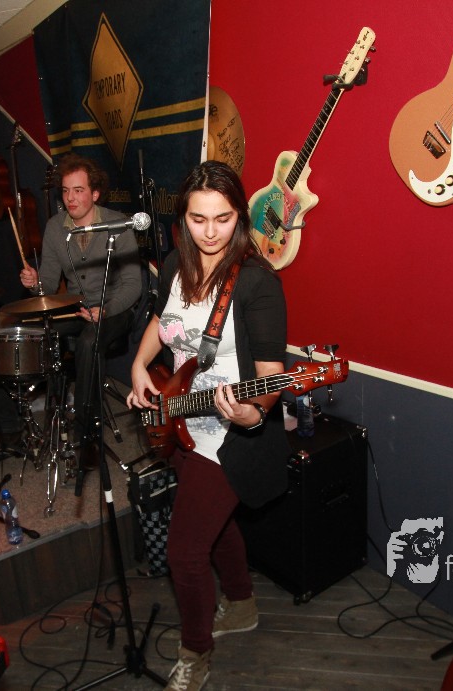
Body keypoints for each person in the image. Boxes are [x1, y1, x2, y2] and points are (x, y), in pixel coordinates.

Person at [126, 161, 290, 690]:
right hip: (181, 419)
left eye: (223, 218)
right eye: (198, 219)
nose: (211, 232)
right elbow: (161, 321)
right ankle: (240, 603)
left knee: (185, 552)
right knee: (213, 525)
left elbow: (272, 374)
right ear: (182, 218)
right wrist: (139, 365)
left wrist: (253, 411)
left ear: (240, 215)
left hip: (229, 435)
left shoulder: (258, 283)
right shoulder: (175, 262)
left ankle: (195, 652)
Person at [11, 153, 143, 450]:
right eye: (66, 191)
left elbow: (133, 285)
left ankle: (86, 433)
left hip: (115, 309)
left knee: (88, 342)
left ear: (95, 194)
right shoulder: (55, 227)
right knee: (25, 333)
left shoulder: (118, 224)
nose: (70, 198)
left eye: (79, 190)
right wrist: (34, 283)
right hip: (76, 308)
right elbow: (48, 284)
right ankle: (16, 427)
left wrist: (105, 310)